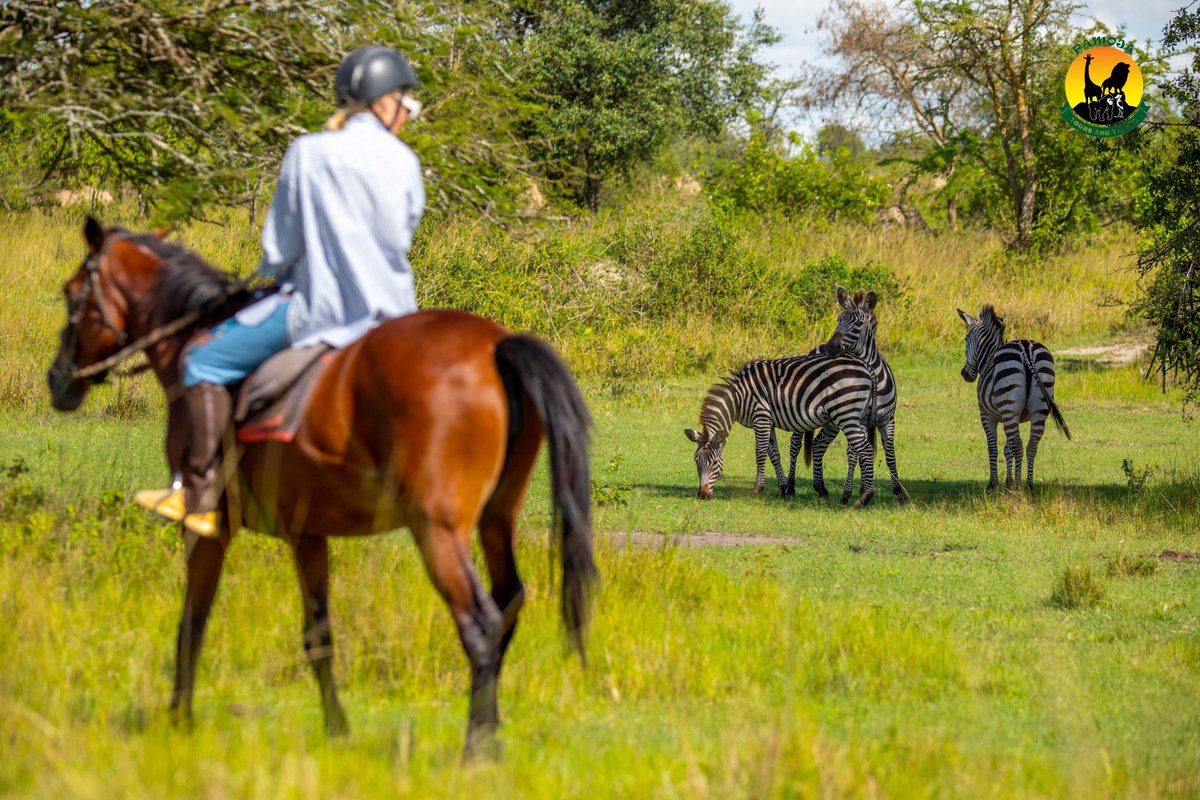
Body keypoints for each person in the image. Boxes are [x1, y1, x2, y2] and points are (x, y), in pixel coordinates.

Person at [134, 45, 427, 538]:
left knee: (202, 361)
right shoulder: (405, 161)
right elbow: (402, 235)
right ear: (382, 101)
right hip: (396, 316)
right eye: (406, 103)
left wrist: (275, 268)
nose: (407, 114)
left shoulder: (308, 152)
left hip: (317, 311)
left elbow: (279, 246)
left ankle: (200, 497)